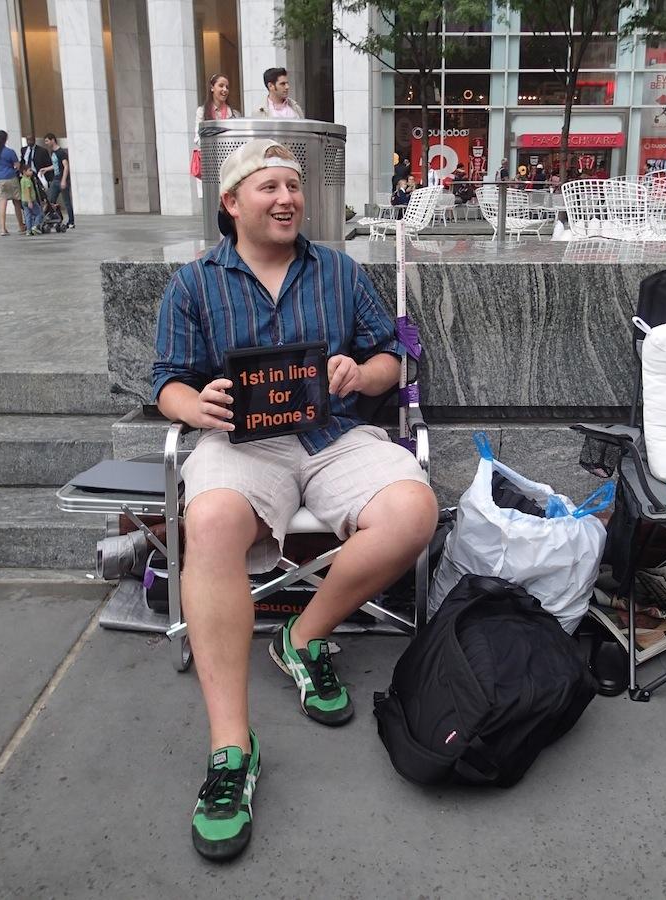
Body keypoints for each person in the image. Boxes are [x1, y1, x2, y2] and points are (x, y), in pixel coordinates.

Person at [152, 138, 437, 862]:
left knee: (414, 511)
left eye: (294, 186)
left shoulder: (338, 271)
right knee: (209, 519)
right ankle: (230, 751)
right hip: (244, 445)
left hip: (334, 433)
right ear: (231, 203)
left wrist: (361, 373)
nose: (286, 198)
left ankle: (302, 638)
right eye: (268, 187)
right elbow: (164, 382)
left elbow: (391, 356)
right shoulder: (194, 284)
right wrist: (196, 404)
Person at [0, 130, 23, 235]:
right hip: (10, 177)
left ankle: (3, 228)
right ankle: (21, 225)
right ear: (6, 139)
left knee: (2, 203)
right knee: (16, 201)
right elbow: (17, 165)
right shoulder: (9, 152)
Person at [39, 133, 74, 230]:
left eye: (47, 141)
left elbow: (66, 166)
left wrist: (64, 180)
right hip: (55, 179)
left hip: (62, 180)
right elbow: (56, 165)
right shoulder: (53, 152)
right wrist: (46, 169)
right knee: (50, 200)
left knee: (67, 202)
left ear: (52, 140)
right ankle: (53, 218)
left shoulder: (61, 152)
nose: (46, 143)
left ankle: (71, 222)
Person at [19, 162, 44, 235]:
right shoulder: (27, 181)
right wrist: (30, 201)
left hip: (24, 201)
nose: (31, 172)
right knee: (39, 213)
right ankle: (35, 226)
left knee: (28, 215)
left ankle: (28, 230)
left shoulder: (22, 180)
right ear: (24, 172)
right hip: (31, 200)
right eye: (30, 170)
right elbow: (27, 191)